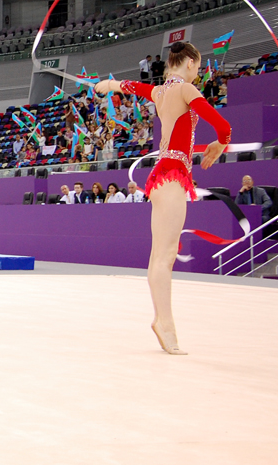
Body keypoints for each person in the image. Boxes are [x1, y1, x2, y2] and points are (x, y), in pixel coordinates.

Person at [96, 41, 230, 355]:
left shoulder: (159, 92)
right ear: (191, 62)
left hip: (161, 176)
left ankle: (163, 322)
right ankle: (165, 324)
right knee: (164, 256)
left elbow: (128, 85)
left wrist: (107, 84)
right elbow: (223, 125)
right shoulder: (185, 90)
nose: (198, 72)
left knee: (160, 256)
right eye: (198, 66)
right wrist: (220, 144)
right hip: (171, 177)